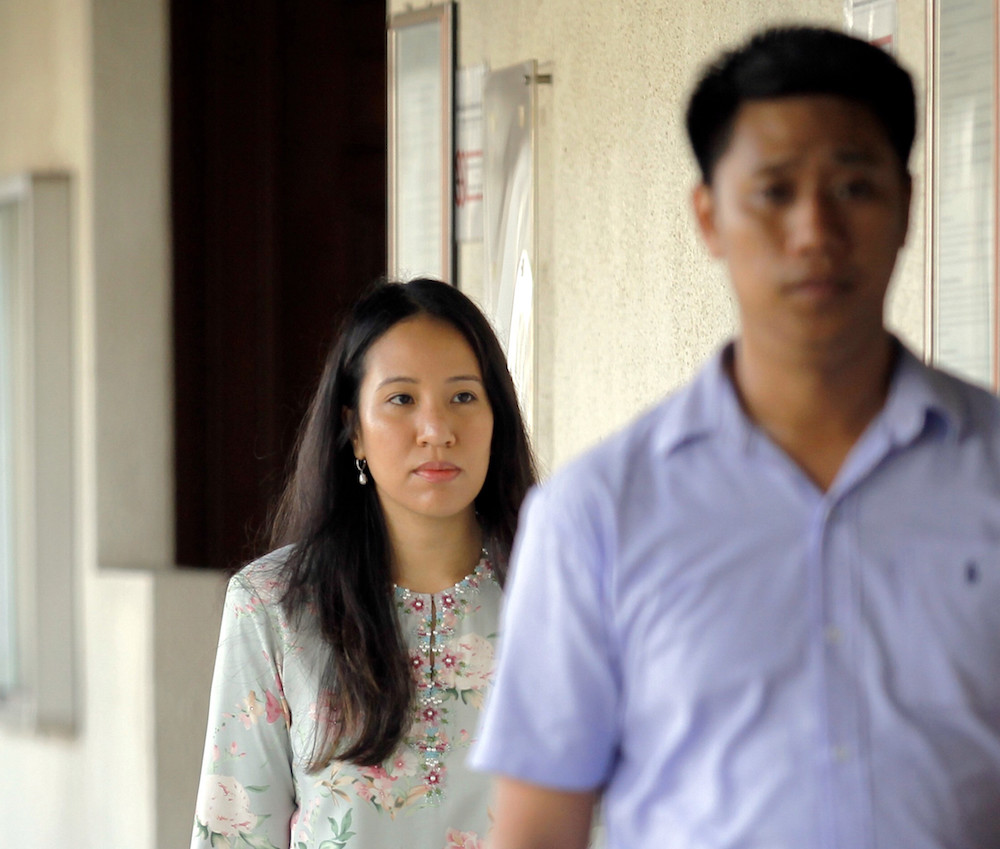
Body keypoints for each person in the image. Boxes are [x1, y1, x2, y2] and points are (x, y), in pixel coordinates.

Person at [470, 25, 1000, 849]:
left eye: (854, 187)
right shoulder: (598, 512)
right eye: (775, 191)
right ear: (709, 217)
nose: (814, 231)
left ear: (906, 204)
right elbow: (539, 831)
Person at [190, 278, 536, 849]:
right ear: (353, 430)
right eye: (402, 399)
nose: (437, 431)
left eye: (464, 397)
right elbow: (234, 836)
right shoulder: (274, 606)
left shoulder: (564, 597)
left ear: (497, 418)